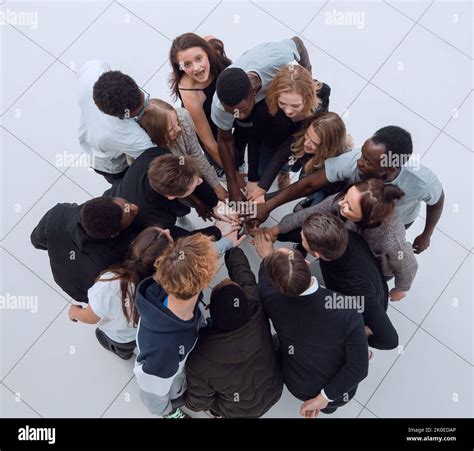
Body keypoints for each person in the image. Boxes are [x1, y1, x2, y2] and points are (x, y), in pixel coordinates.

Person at [249, 125, 444, 254]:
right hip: (353, 209)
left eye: (367, 161)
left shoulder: (421, 180)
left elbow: (437, 200)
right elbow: (309, 183)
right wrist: (269, 205)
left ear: (389, 169)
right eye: (363, 154)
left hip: (393, 222)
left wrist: (427, 234)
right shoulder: (356, 160)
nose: (359, 161)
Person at [253, 235, 368, 417]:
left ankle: (325, 405)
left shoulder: (268, 297)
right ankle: (328, 406)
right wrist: (324, 397)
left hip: (300, 387)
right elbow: (359, 369)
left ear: (276, 286)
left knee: (278, 341)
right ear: (307, 264)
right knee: (331, 402)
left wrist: (268, 257)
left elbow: (266, 282)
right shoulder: (346, 307)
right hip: (341, 393)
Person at [264, 179, 419, 301]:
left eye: (349, 207)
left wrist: (400, 289)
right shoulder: (344, 201)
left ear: (369, 219)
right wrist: (276, 229)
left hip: (371, 265)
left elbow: (408, 265)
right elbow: (313, 211)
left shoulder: (391, 240)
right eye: (345, 197)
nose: (340, 204)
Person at [185, 248, 283, 418]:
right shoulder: (256, 306)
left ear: (209, 309)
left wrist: (182, 401)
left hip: (240, 412)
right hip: (275, 389)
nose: (224, 279)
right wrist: (232, 248)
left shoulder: (198, 359)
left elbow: (199, 402)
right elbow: (244, 275)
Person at [212, 37, 312, 201]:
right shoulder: (220, 107)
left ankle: (284, 171)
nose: (240, 117)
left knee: (291, 158)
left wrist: (306, 78)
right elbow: (225, 139)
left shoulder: (277, 59)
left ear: (254, 92)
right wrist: (233, 184)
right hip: (268, 121)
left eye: (242, 110)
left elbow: (298, 43)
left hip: (282, 115)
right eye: (233, 113)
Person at [134, 234, 220, 419]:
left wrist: (227, 242)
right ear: (205, 282)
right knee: (169, 404)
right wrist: (165, 410)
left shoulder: (172, 279)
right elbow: (151, 393)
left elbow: (189, 264)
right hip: (172, 386)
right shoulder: (164, 352)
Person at [67, 226, 173, 359]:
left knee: (117, 345)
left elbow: (91, 317)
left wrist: (74, 312)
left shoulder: (109, 284)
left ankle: (121, 353)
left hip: (119, 337)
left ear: (134, 244)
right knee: (128, 346)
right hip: (138, 334)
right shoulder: (168, 285)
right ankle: (126, 353)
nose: (168, 230)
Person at [301, 213, 399, 351]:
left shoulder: (356, 290)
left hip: (364, 305)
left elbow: (390, 341)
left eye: (303, 239)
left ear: (317, 254)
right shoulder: (346, 236)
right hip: (369, 281)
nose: (301, 236)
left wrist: (361, 335)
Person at [103, 150, 239, 239]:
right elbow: (182, 238)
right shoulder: (156, 221)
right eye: (195, 184)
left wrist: (215, 203)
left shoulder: (155, 154)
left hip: (124, 191)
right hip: (122, 219)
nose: (201, 181)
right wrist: (217, 230)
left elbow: (190, 175)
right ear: (171, 196)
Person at [31, 196, 138, 303]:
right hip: (87, 293)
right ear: (114, 234)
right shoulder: (118, 254)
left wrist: (60, 246)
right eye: (129, 211)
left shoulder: (59, 213)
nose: (133, 208)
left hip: (64, 279)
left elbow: (36, 241)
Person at [247, 64, 331, 196]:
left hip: (299, 143)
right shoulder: (264, 109)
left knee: (291, 164)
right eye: (282, 103)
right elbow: (254, 139)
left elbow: (287, 149)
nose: (288, 111)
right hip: (271, 141)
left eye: (295, 105)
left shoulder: (322, 96)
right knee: (262, 173)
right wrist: (252, 179)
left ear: (308, 97)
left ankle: (284, 171)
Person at [250, 111, 351, 207]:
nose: (306, 143)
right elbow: (281, 155)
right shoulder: (308, 133)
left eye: (314, 143)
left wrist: (265, 198)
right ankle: (285, 172)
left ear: (328, 147)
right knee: (295, 161)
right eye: (307, 135)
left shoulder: (334, 165)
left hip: (330, 190)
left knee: (315, 202)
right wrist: (261, 188)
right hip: (313, 162)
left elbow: (302, 187)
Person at [78, 60, 153, 183]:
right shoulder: (127, 134)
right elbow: (158, 161)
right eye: (140, 112)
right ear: (122, 117)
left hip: (90, 136)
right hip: (110, 165)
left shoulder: (93, 68)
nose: (147, 105)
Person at [138, 98, 227, 200]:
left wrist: (217, 186)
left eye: (176, 122)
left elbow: (197, 155)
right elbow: (171, 186)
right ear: (156, 134)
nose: (178, 128)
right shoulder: (149, 152)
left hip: (190, 171)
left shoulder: (182, 118)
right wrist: (198, 203)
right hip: (176, 187)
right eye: (171, 129)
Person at [169, 33, 232, 173]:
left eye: (199, 58)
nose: (196, 68)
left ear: (207, 52)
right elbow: (209, 143)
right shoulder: (189, 91)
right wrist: (232, 173)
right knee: (221, 153)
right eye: (187, 64)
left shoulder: (214, 47)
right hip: (208, 121)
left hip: (226, 108)